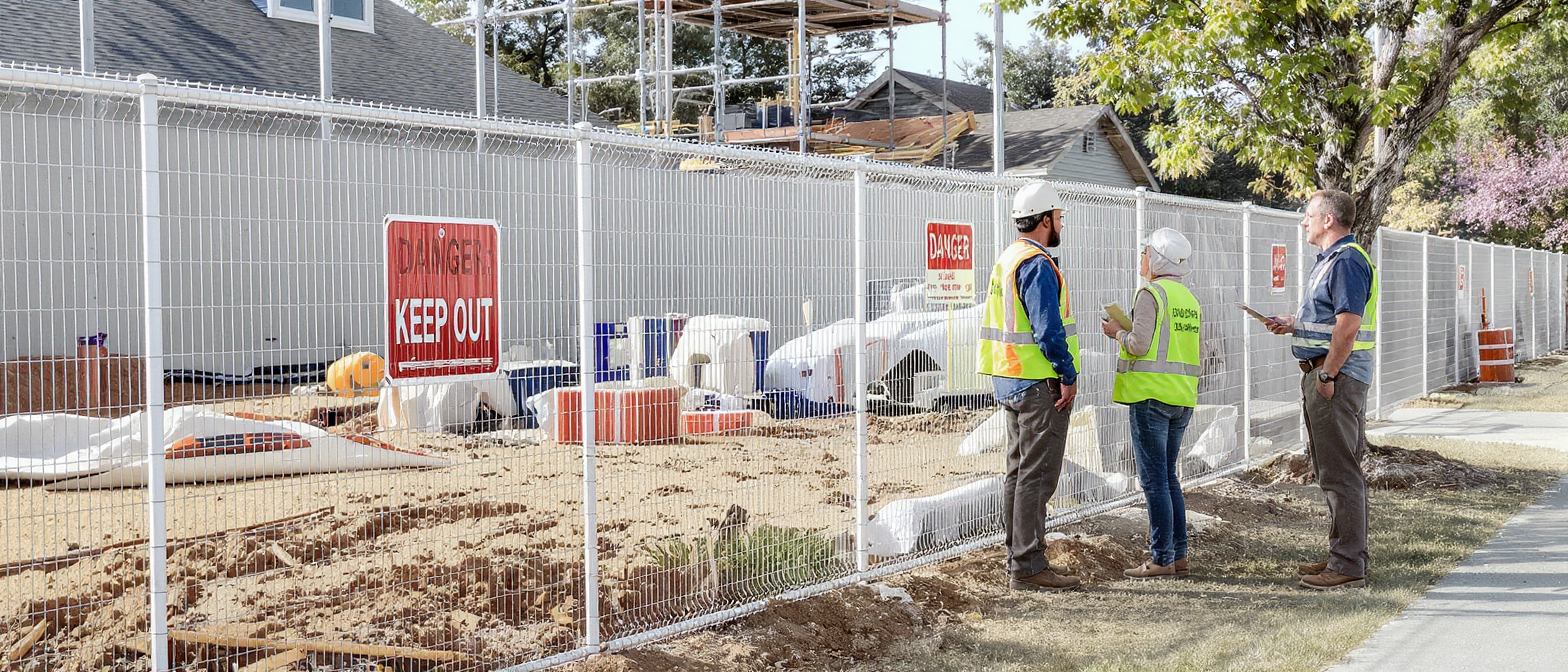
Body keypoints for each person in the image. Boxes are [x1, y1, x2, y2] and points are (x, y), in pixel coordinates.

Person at [1265, 189, 1379, 590]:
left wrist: (1327, 376)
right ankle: (1342, 555)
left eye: (1309, 215)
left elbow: (1348, 326)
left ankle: (1348, 565)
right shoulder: (1334, 261)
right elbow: (1330, 320)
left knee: (1340, 471)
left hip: (1336, 378)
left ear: (1328, 219)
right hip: (1330, 374)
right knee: (1333, 468)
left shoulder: (1347, 260)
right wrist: (1294, 323)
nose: (1304, 222)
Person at [978, 181, 1083, 591]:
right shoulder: (1037, 264)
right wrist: (1067, 376)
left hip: (1009, 379)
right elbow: (1048, 330)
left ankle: (1018, 556)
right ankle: (1028, 564)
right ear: (1044, 220)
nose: (1061, 225)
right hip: (1039, 383)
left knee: (1018, 472)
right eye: (1058, 218)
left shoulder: (1008, 258)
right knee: (1036, 476)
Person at [1100, 228, 1201, 580]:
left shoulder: (1150, 292)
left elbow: (1140, 344)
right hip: (1181, 397)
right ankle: (1178, 554)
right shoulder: (1188, 298)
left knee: (1154, 480)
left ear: (1157, 258)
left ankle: (1161, 558)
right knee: (1169, 477)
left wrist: (1116, 332)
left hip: (1150, 396)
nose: (1141, 258)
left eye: (1145, 252)